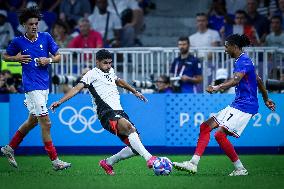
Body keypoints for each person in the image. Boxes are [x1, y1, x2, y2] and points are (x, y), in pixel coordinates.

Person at [173, 34, 276, 176]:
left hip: (245, 106)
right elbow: (257, 79)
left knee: (219, 135)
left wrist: (216, 87)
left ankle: (240, 169)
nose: (225, 50)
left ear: (234, 46)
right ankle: (193, 164)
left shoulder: (243, 61)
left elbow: (235, 80)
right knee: (205, 127)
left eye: (227, 47)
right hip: (238, 104)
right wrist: (266, 98)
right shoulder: (242, 60)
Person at [49, 49, 157, 175]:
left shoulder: (110, 71)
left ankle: (108, 162)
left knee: (136, 147)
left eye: (110, 63)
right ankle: (150, 158)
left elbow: (118, 81)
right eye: (105, 63)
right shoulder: (91, 74)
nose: (108, 66)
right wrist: (60, 102)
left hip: (119, 111)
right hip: (105, 113)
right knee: (129, 128)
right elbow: (76, 88)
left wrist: (134, 91)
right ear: (97, 62)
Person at [0, 6, 71, 171]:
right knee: (46, 123)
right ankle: (55, 160)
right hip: (31, 87)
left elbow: (59, 56)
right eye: (31, 23)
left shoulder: (45, 37)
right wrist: (15, 58)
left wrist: (49, 60)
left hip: (44, 86)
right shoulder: (18, 41)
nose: (34, 26)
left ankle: (9, 148)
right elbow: (4, 56)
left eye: (36, 23)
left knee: (32, 121)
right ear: (24, 25)